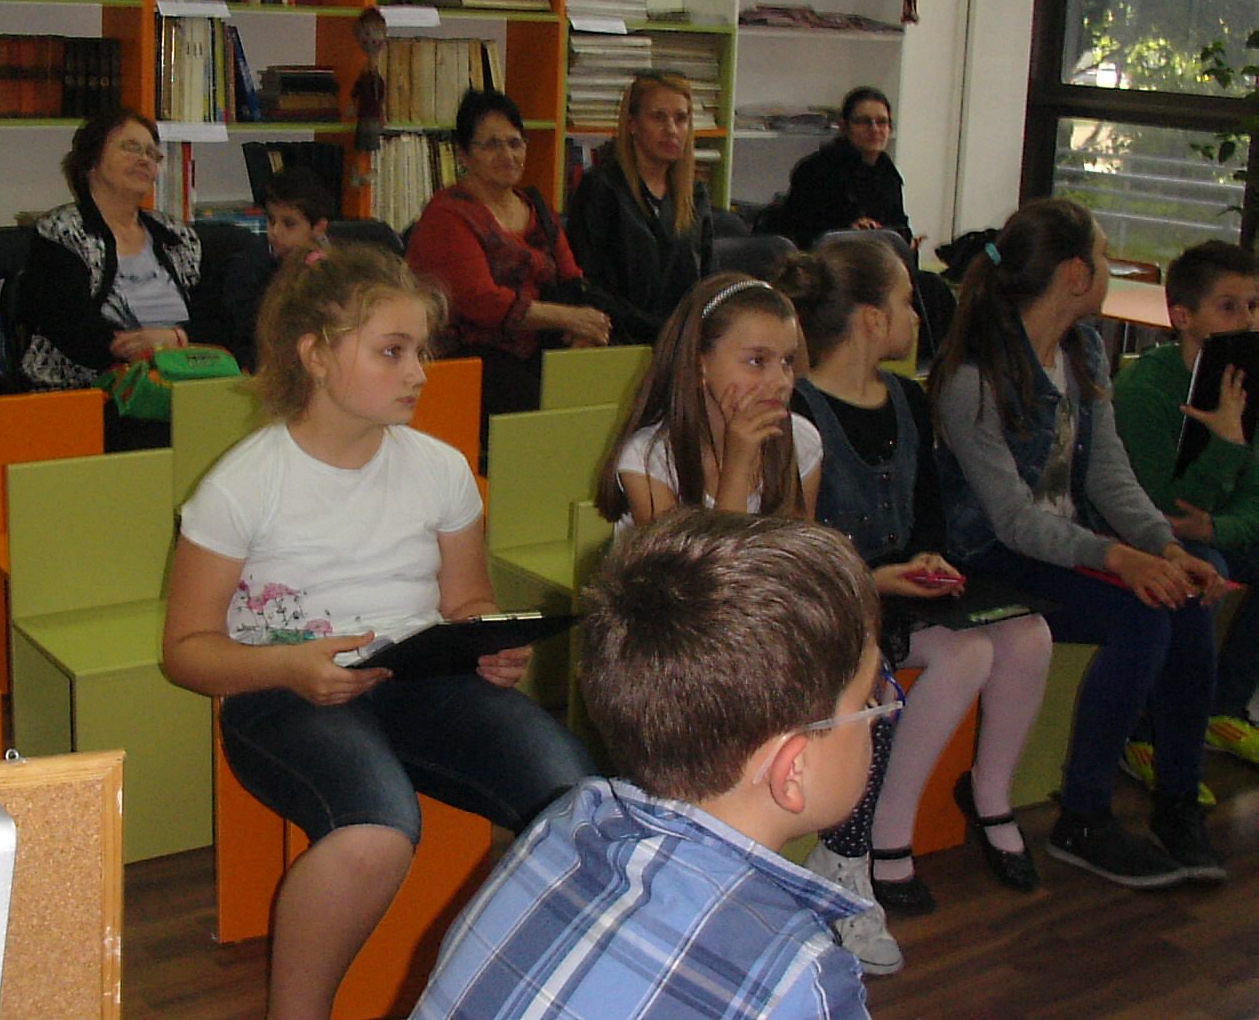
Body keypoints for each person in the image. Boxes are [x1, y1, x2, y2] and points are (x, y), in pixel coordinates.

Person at [161, 242, 592, 1020]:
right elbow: (186, 653)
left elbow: (467, 602)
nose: (418, 373)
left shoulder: (442, 468)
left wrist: (492, 645)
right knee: (377, 832)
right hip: (284, 695)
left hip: (421, 679)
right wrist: (290, 667)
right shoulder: (242, 485)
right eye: (392, 352)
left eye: (421, 351)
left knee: (581, 807)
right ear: (316, 356)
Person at [411, 509, 881, 1020]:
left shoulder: (569, 821)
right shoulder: (798, 977)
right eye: (868, 703)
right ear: (794, 769)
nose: (879, 714)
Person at [931, 197, 1227, 889]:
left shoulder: (1083, 349)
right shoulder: (973, 375)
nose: (1108, 270)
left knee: (1188, 591)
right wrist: (1120, 557)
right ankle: (1084, 816)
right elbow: (1012, 521)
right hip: (992, 556)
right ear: (1073, 274)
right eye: (1102, 257)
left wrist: (1163, 546)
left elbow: (1109, 474)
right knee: (1143, 615)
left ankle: (1177, 802)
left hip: (1067, 545)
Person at [778, 239, 1052, 972]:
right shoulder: (800, 409)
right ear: (871, 319)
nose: (916, 316)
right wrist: (880, 577)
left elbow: (925, 509)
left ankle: (958, 811)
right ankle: (867, 849)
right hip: (841, 598)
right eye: (905, 301)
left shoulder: (908, 398)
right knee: (960, 656)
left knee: (1018, 635)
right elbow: (799, 543)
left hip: (898, 588)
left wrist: (927, 559)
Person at [1115, 240, 1259, 781]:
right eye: (1229, 306)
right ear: (1182, 316)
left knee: (1225, 553)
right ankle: (1144, 734)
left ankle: (1225, 707)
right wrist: (1226, 444)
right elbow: (1160, 507)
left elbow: (1255, 494)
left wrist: (1219, 525)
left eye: (1253, 305)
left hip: (1212, 528)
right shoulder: (1146, 390)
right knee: (1202, 573)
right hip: (1148, 536)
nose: (1247, 320)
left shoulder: (1246, 381)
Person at [405, 89, 611, 422]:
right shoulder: (447, 215)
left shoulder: (536, 208)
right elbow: (483, 302)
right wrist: (569, 319)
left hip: (539, 345)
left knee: (609, 381)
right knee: (535, 403)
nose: (507, 155)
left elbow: (571, 278)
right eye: (491, 145)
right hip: (473, 355)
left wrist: (582, 330)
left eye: (515, 143)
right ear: (463, 155)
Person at [594, 272, 821, 534]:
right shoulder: (648, 459)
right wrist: (738, 464)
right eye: (757, 361)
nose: (781, 381)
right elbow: (708, 561)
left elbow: (798, 552)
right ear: (699, 363)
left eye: (787, 361)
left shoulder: (801, 440)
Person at [20, 107, 223, 390]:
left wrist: (175, 339)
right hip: (89, 388)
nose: (144, 159)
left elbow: (217, 321)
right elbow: (75, 333)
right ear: (91, 160)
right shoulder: (61, 232)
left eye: (152, 154)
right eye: (131, 148)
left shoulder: (178, 236)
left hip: (182, 379)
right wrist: (148, 351)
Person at [566, 70, 740, 344]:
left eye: (681, 119)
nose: (671, 130)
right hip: (619, 340)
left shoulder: (694, 194)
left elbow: (708, 282)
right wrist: (661, 331)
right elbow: (587, 286)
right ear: (633, 124)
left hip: (682, 342)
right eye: (658, 117)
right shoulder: (601, 189)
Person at [225, 165, 333, 371]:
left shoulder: (334, 268)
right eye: (271, 220)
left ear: (319, 228)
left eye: (289, 224)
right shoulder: (249, 266)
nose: (275, 231)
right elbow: (251, 335)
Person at [781, 87, 911, 251]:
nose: (875, 129)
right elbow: (802, 233)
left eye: (882, 122)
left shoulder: (887, 171)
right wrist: (849, 230)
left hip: (876, 257)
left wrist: (903, 239)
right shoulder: (815, 170)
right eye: (864, 122)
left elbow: (899, 224)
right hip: (828, 258)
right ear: (844, 127)